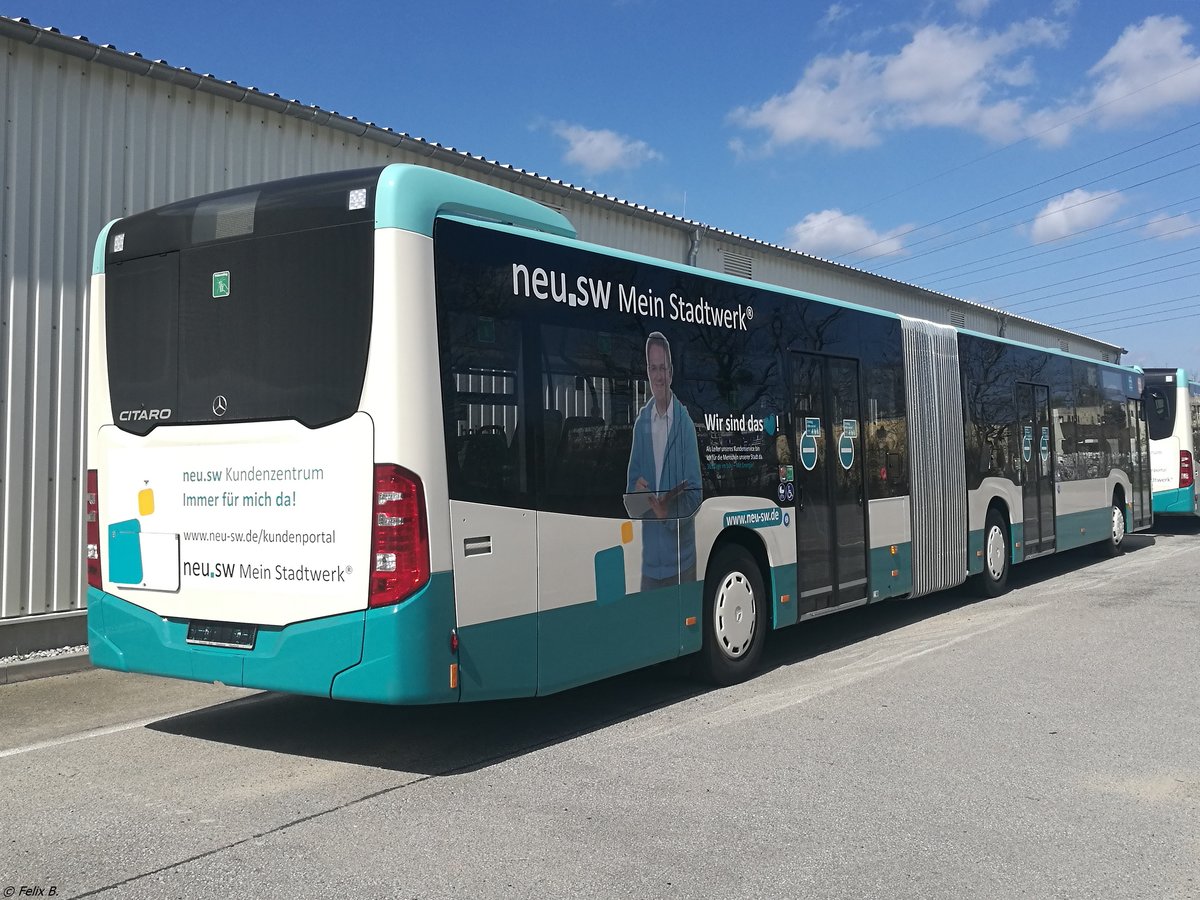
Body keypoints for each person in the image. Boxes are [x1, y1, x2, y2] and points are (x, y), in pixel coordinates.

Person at [624, 332, 702, 591]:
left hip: (682, 563)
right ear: (648, 371)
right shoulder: (641, 426)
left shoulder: (685, 426)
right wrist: (637, 491)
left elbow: (695, 494)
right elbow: (631, 495)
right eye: (653, 368)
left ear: (671, 372)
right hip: (649, 567)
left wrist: (667, 514)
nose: (658, 376)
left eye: (663, 369)